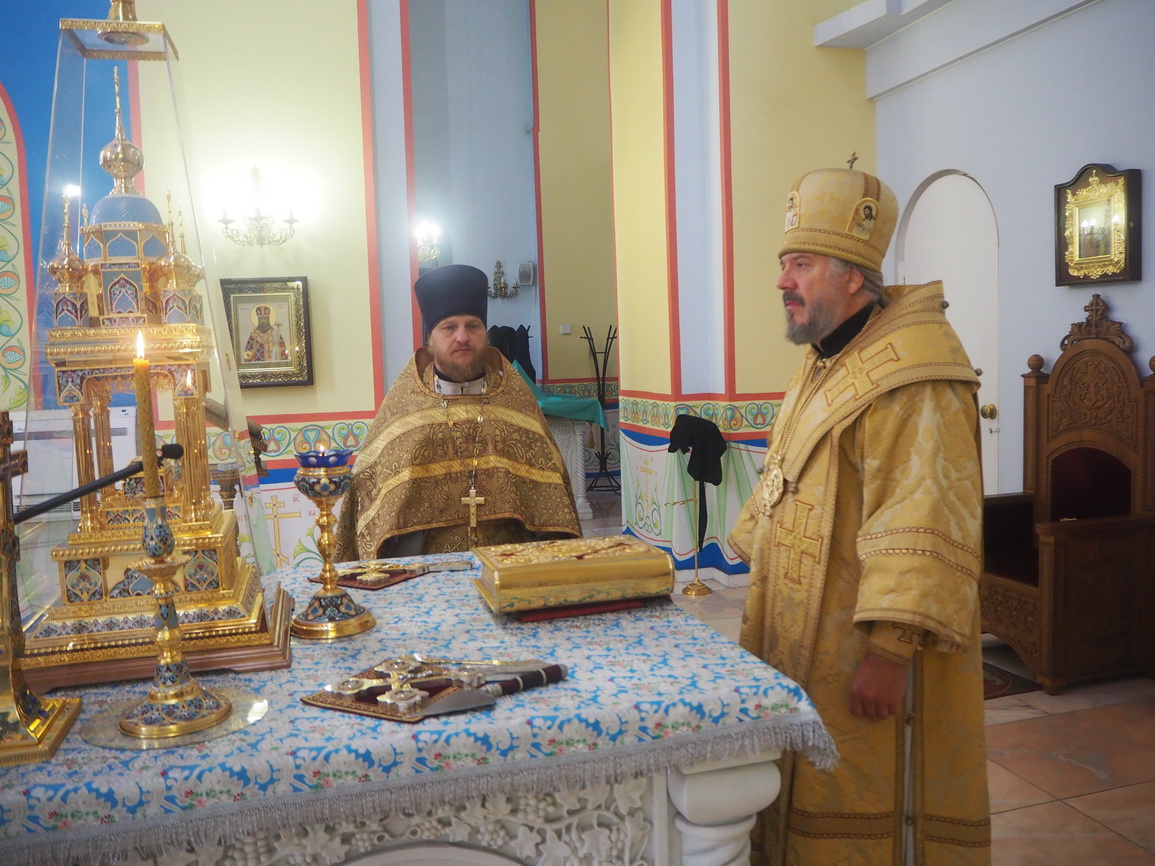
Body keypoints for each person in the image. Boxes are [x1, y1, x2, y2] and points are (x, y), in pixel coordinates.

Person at [729, 168, 990, 865]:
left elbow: (925, 512)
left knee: (863, 804)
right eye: (783, 264)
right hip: (797, 631)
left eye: (801, 265)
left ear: (852, 278)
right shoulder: (825, 358)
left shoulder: (914, 372)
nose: (783, 281)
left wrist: (888, 652)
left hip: (859, 650)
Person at [336, 263, 581, 560]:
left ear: (485, 333)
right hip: (424, 576)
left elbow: (551, 502)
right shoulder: (404, 409)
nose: (462, 337)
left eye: (473, 326)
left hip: (510, 565)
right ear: (431, 337)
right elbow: (372, 504)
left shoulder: (515, 402)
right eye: (449, 327)